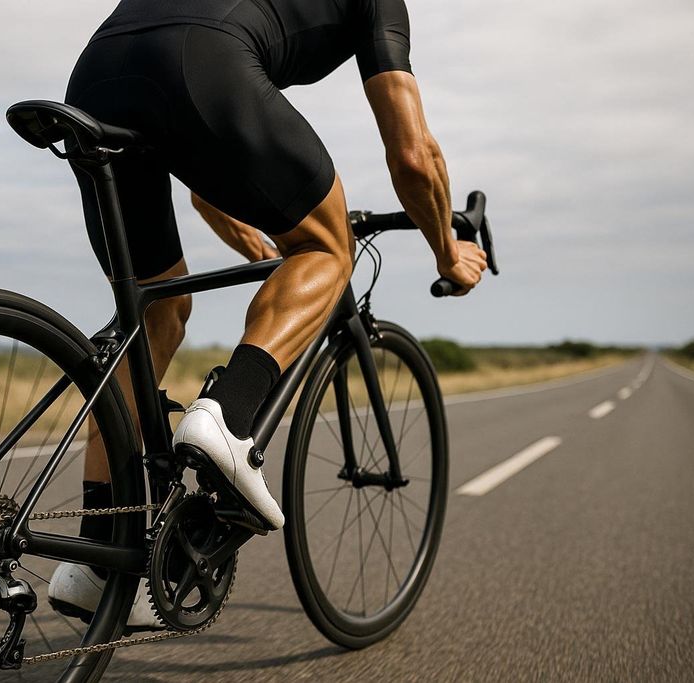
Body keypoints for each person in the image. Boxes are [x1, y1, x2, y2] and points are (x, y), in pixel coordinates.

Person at [48, 0, 488, 627]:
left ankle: (99, 552)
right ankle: (228, 418)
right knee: (325, 246)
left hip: (95, 76)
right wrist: (447, 248)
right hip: (201, 64)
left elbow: (206, 170)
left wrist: (257, 241)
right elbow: (416, 158)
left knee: (159, 310)